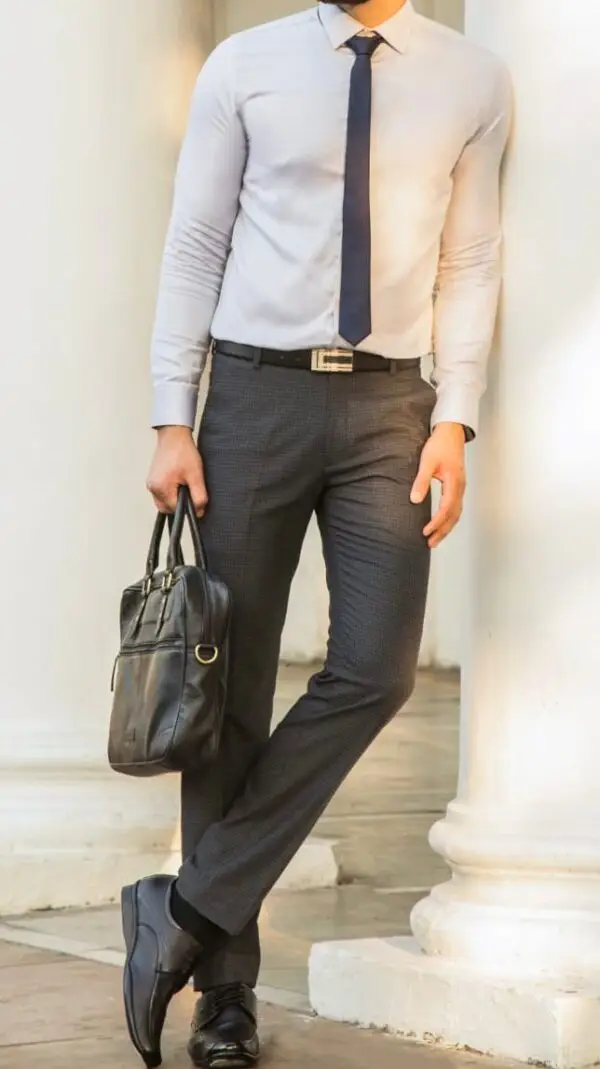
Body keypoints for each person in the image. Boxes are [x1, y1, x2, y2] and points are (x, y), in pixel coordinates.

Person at [121, 1, 511, 1066]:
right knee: (230, 692)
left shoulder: (472, 78)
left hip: (393, 409)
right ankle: (227, 997)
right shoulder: (245, 65)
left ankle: (185, 911)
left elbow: (472, 258)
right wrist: (173, 416)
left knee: (377, 668)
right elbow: (196, 238)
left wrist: (455, 417)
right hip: (252, 399)